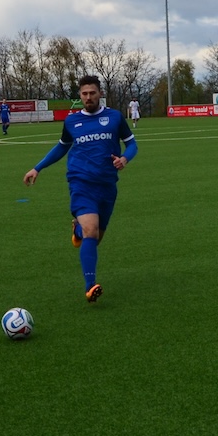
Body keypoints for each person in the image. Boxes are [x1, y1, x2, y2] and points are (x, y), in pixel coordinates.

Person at [22, 75, 137, 302]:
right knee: (91, 231)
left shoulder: (114, 117)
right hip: (81, 182)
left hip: (107, 185)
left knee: (94, 237)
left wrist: (124, 158)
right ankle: (90, 286)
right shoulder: (72, 121)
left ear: (100, 93)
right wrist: (37, 168)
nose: (88, 97)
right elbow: (61, 147)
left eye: (92, 93)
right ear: (80, 96)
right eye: (84, 94)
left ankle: (77, 231)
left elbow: (132, 144)